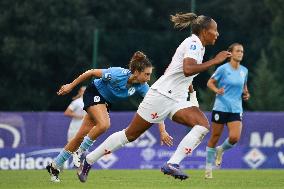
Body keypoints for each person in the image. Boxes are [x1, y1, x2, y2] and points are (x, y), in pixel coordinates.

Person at [76, 12, 232, 183]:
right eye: (214, 30)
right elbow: (188, 69)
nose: (217, 33)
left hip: (177, 99)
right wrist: (215, 61)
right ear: (204, 31)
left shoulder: (198, 46)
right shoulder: (193, 43)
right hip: (160, 96)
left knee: (202, 125)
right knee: (130, 135)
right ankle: (89, 159)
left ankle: (172, 164)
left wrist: (191, 92)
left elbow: (184, 74)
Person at [46, 51, 173, 182]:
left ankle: (54, 165)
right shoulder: (117, 74)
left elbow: (156, 108)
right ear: (136, 72)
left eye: (150, 75)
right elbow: (91, 72)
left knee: (79, 137)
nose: (148, 78)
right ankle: (80, 152)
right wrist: (70, 86)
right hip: (93, 93)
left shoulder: (142, 87)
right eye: (146, 74)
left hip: (104, 103)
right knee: (104, 124)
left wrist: (162, 131)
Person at [205, 43, 250, 179]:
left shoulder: (244, 70)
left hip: (236, 108)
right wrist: (217, 90)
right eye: (237, 51)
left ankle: (221, 150)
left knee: (235, 137)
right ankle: (208, 168)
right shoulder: (223, 69)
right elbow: (210, 82)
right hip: (221, 107)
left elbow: (244, 87)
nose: (240, 53)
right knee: (215, 137)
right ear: (230, 53)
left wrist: (246, 94)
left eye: (242, 51)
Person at [63, 86, 86, 166]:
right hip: (75, 128)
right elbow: (67, 112)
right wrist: (78, 116)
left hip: (85, 129)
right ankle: (59, 164)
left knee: (82, 148)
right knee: (70, 148)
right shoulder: (77, 102)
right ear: (80, 92)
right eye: (83, 91)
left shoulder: (90, 102)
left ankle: (80, 167)